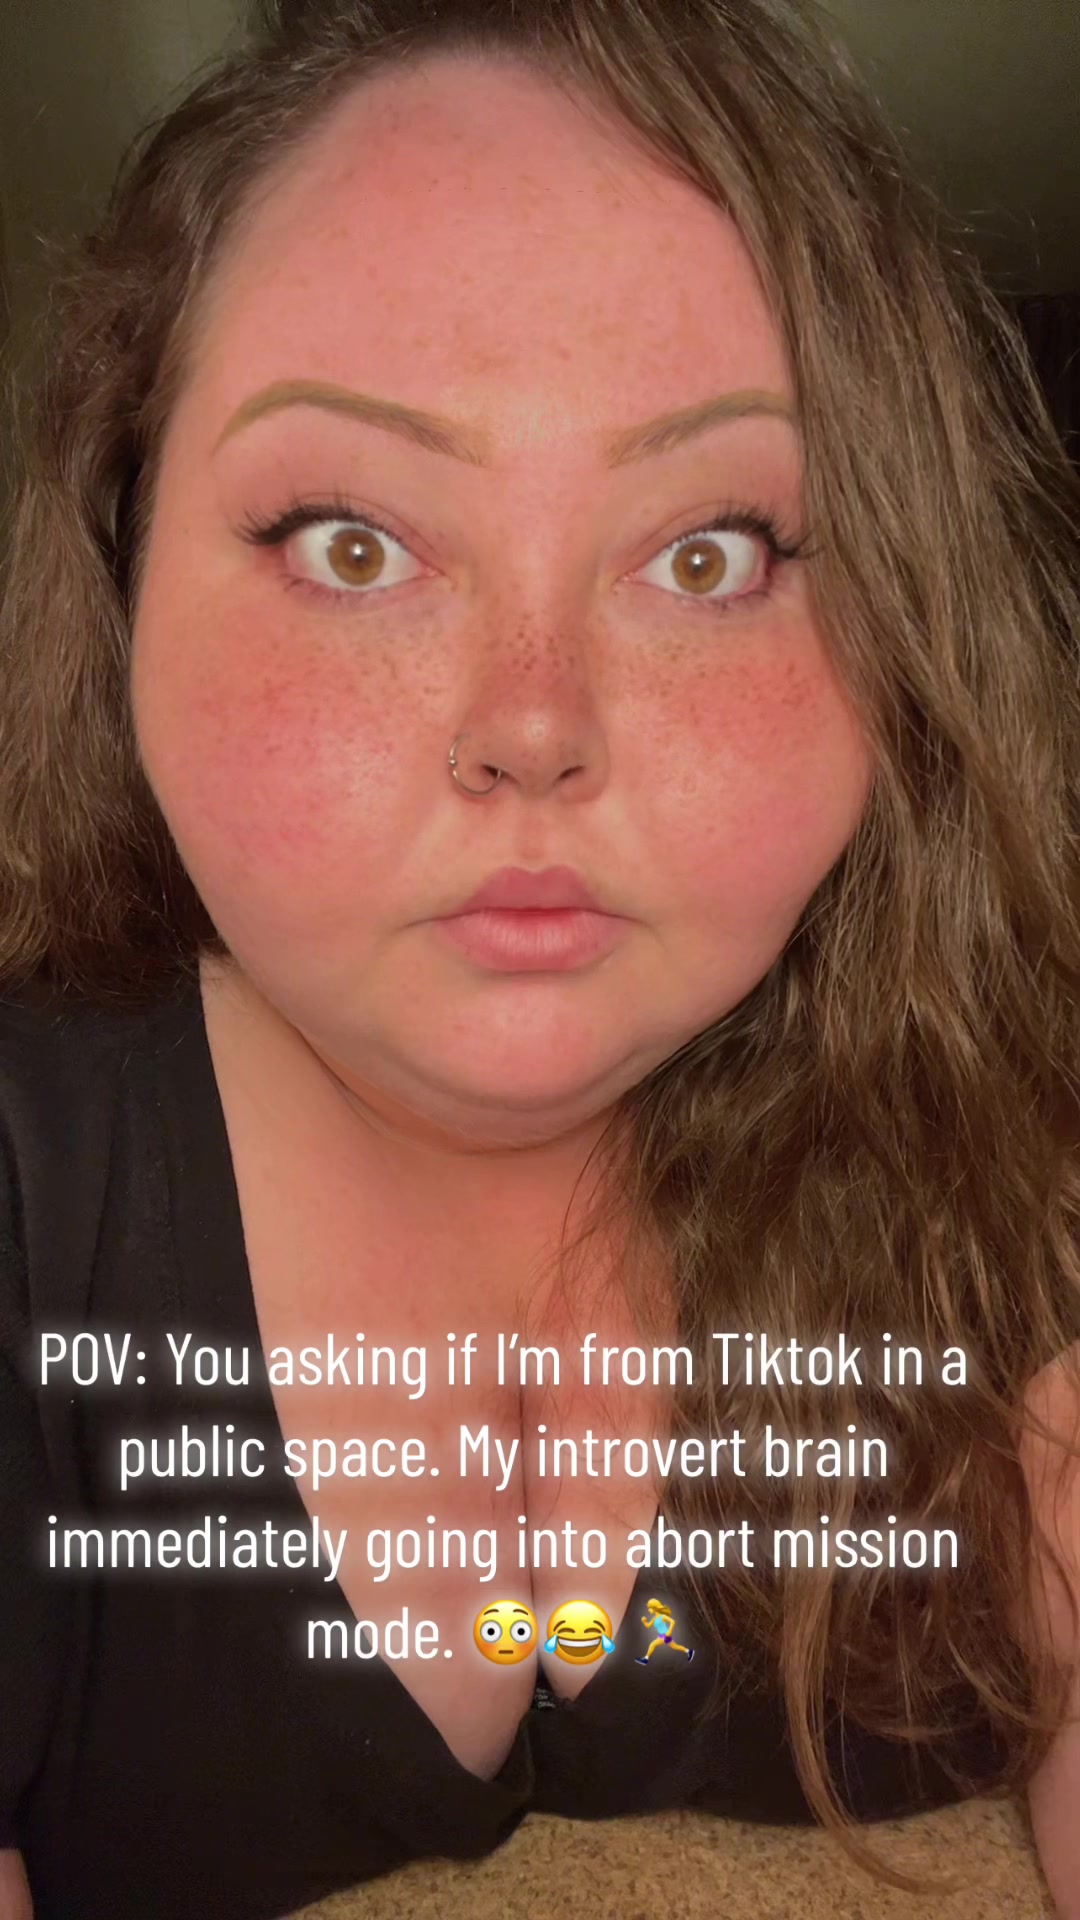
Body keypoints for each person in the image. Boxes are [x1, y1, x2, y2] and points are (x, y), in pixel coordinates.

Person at [1, 0, 1079, 1915]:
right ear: (117, 557)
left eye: (709, 553)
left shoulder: (1025, 1176)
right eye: (352, 543)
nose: (534, 724)